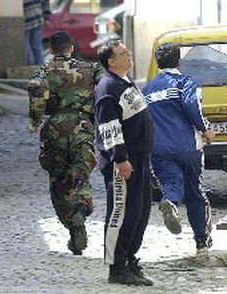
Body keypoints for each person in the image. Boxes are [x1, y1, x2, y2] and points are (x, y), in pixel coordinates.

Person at [28, 31, 101, 256]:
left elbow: (35, 89)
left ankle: (72, 225)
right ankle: (81, 208)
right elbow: (106, 89)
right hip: (82, 126)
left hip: (56, 129)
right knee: (80, 175)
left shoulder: (44, 70)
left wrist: (35, 120)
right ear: (71, 47)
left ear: (51, 49)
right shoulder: (91, 69)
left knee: (59, 180)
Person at [142, 43, 215, 253]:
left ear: (158, 64)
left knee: (171, 183)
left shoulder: (147, 90)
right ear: (179, 62)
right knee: (195, 191)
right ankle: (201, 240)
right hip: (187, 146)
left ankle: (170, 201)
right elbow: (192, 106)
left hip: (159, 149)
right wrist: (206, 129)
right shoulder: (185, 82)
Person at [95, 40, 154, 286]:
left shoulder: (125, 82)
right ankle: (116, 268)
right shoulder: (108, 87)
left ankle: (129, 259)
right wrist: (120, 158)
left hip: (140, 160)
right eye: (123, 53)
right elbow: (109, 127)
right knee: (122, 214)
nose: (129, 54)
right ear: (111, 61)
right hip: (124, 164)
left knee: (140, 214)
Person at [23, 0, 51, 65]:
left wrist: (46, 17)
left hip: (28, 21)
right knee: (37, 47)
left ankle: (30, 70)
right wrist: (46, 17)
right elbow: (45, 2)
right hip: (37, 19)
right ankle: (41, 70)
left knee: (28, 49)